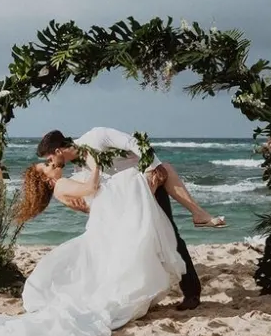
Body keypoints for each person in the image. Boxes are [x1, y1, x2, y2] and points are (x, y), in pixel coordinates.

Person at [0, 158, 186, 336]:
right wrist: (95, 162)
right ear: (45, 179)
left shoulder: (63, 187)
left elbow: (91, 204)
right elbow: (92, 187)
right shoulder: (61, 184)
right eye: (46, 165)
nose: (52, 164)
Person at [37, 127, 225, 311]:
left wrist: (155, 166)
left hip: (149, 186)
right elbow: (102, 191)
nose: (52, 163)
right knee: (137, 245)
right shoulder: (80, 168)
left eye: (50, 159)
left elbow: (132, 143)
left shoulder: (96, 137)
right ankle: (142, 295)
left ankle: (191, 293)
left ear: (58, 151)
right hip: (128, 202)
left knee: (170, 235)